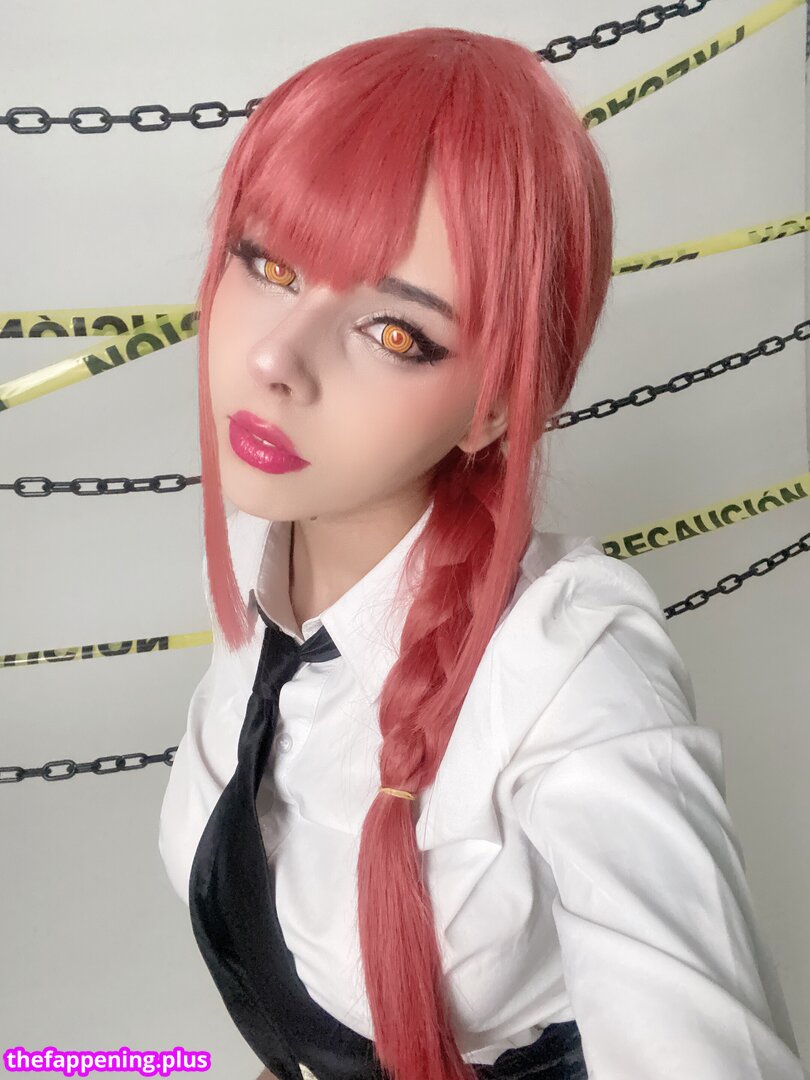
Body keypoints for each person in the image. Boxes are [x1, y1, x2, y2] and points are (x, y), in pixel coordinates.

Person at [157, 25, 807, 1080]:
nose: (276, 357)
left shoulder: (570, 668)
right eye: (269, 264)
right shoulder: (255, 549)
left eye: (394, 333)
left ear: (496, 407)